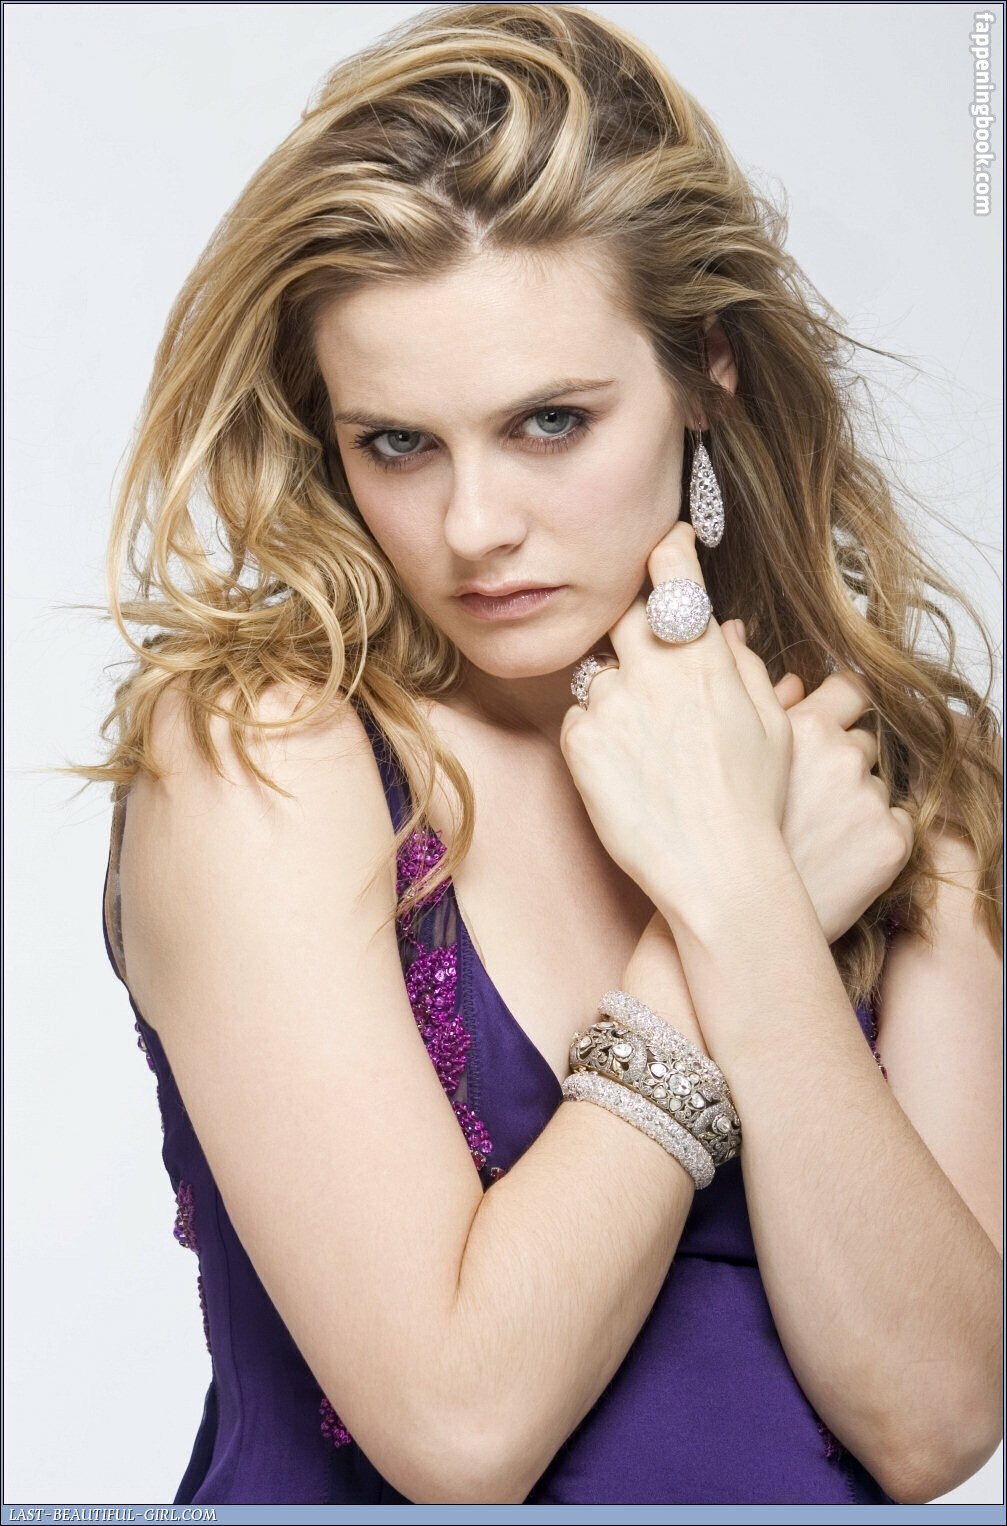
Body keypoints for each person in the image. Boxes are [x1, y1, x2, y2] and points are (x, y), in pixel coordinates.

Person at [89, 2, 1002, 1506]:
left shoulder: (887, 772)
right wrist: (726, 907)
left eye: (551, 423)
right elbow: (460, 1429)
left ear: (705, 366)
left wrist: (743, 896)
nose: (473, 527)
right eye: (398, 442)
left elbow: (935, 1419)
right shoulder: (268, 757)